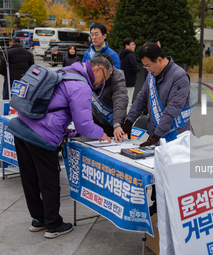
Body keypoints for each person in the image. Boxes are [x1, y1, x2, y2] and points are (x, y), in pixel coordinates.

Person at [7, 56, 112, 239]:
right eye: (103, 79)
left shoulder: (65, 72)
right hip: (41, 136)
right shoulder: (81, 86)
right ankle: (54, 225)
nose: (101, 83)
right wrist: (101, 133)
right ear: (98, 69)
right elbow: (84, 125)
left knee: (29, 178)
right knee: (49, 181)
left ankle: (38, 219)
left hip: (21, 127)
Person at [122, 42, 191, 147]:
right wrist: (129, 121)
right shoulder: (152, 75)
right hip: (156, 135)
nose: (148, 70)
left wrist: (156, 136)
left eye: (148, 65)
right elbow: (141, 98)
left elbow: (172, 108)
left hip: (176, 136)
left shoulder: (179, 76)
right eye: (145, 67)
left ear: (159, 60)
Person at [91, 53, 128, 141]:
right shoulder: (91, 73)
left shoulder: (117, 79)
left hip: (110, 122)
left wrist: (117, 124)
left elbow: (120, 100)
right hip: (93, 120)